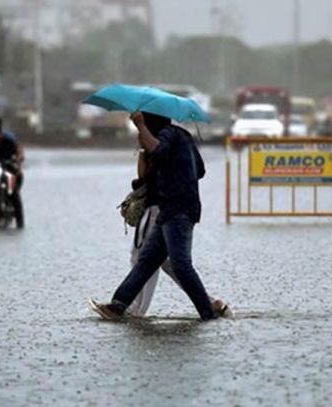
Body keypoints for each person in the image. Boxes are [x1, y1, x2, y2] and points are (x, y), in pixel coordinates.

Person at [91, 111, 226, 321]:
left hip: (179, 209)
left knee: (181, 265)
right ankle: (118, 306)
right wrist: (165, 161)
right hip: (169, 209)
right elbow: (198, 170)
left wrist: (141, 127)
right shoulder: (181, 137)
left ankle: (208, 311)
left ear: (151, 120)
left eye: (145, 121)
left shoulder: (169, 135)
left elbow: (160, 150)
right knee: (147, 261)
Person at [127, 147, 231, 318]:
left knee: (143, 257)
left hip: (158, 208)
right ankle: (210, 302)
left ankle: (136, 309)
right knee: (166, 261)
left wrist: (142, 150)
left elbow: (143, 176)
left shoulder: (158, 141)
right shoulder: (175, 143)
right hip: (170, 208)